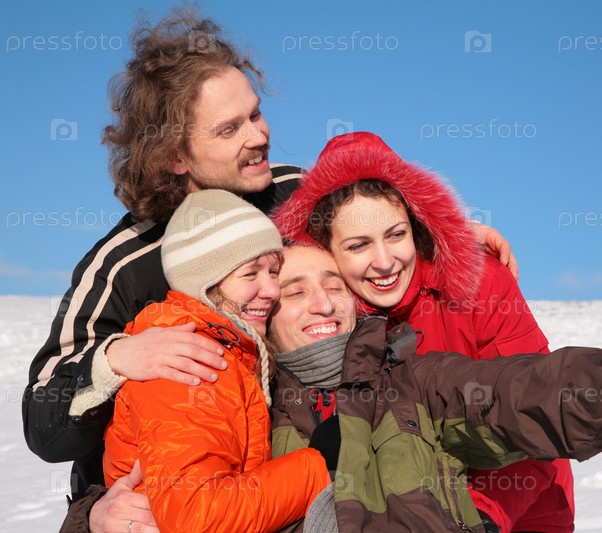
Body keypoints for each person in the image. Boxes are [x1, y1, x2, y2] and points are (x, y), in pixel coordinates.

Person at [22, 9, 513, 517]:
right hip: (167, 506)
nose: (257, 136)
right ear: (175, 157)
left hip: (290, 477)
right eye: (229, 129)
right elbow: (42, 422)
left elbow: (371, 229)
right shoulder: (123, 265)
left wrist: (441, 233)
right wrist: (115, 360)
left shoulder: (294, 193)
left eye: (255, 115)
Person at [264, 244, 602, 532]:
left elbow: (519, 394)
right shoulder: (253, 407)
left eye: (333, 286)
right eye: (295, 292)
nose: (323, 303)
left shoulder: (410, 382)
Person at [272, 132, 573, 531]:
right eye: (359, 246)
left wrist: (481, 517)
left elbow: (538, 410)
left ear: (415, 225)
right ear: (326, 250)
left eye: (395, 235)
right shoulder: (333, 315)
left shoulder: (480, 284)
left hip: (519, 506)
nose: (385, 262)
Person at [88, 190, 330, 532]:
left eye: (273, 271)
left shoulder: (229, 353)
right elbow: (199, 517)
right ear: (205, 283)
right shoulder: (184, 361)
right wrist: (318, 468)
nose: (272, 290)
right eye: (251, 274)